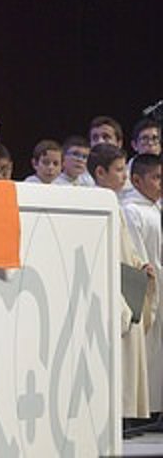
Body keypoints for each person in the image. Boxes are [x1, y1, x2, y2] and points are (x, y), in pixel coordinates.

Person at [88, 143, 155, 422]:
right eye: (118, 170)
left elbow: (125, 244)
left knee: (131, 352)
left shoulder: (113, 202)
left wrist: (141, 263)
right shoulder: (95, 204)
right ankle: (116, 414)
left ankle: (127, 414)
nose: (123, 176)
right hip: (113, 285)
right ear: (100, 172)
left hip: (128, 280)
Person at [121, 152, 163, 416]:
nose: (161, 183)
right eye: (156, 178)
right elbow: (135, 252)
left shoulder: (155, 208)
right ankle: (144, 411)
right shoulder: (132, 210)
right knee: (148, 349)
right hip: (148, 286)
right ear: (136, 180)